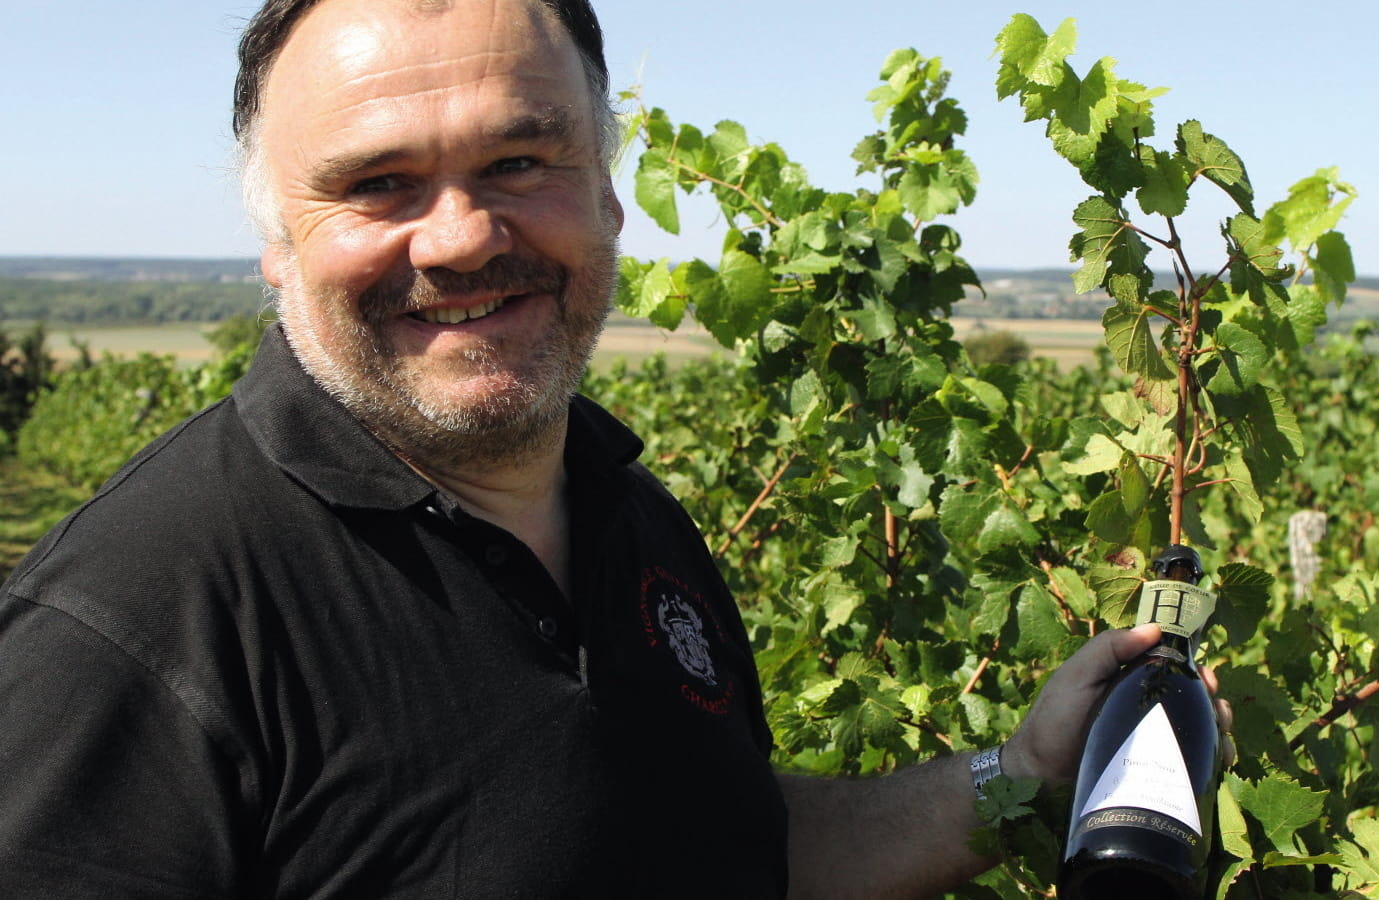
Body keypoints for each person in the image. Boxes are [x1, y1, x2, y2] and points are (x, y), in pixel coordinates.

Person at [0, 0, 1230, 896]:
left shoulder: (629, 513)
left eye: (520, 159)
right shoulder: (132, 626)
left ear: (607, 196)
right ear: (276, 243)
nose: (462, 238)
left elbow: (720, 845)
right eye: (377, 184)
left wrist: (1011, 770)